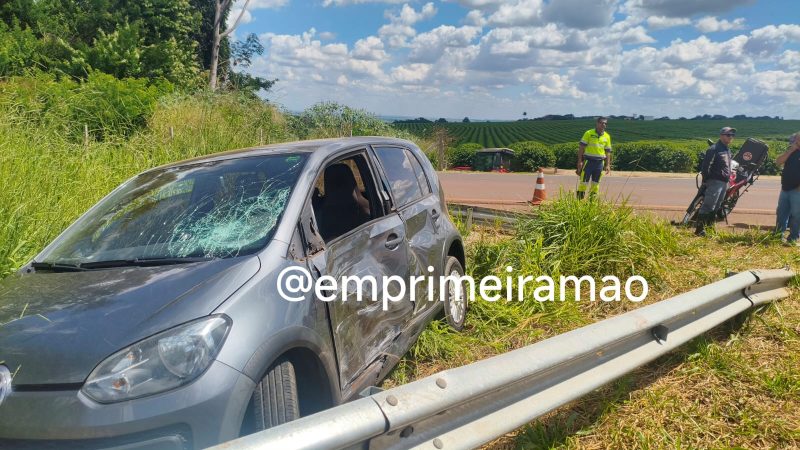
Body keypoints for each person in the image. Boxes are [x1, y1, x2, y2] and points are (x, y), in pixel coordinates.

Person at [695, 127, 735, 236]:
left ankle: (710, 227)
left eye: (732, 135)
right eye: (728, 135)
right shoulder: (714, 149)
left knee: (717, 206)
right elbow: (705, 167)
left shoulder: (726, 149)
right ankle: (699, 230)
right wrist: (706, 181)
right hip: (714, 181)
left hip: (724, 182)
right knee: (708, 205)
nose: (731, 137)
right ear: (721, 135)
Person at [576, 117, 612, 199]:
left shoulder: (607, 136)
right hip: (588, 162)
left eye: (605, 123)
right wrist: (579, 161)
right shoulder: (589, 133)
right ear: (597, 123)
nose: (604, 125)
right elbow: (581, 148)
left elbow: (608, 152)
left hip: (600, 163)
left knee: (596, 184)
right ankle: (578, 203)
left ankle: (591, 204)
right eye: (602, 123)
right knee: (583, 183)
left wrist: (608, 165)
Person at [774, 132, 800, 244]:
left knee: (796, 215)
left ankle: (793, 238)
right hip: (785, 189)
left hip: (797, 190)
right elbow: (778, 162)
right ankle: (778, 236)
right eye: (796, 139)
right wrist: (790, 150)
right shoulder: (791, 151)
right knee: (781, 214)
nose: (796, 141)